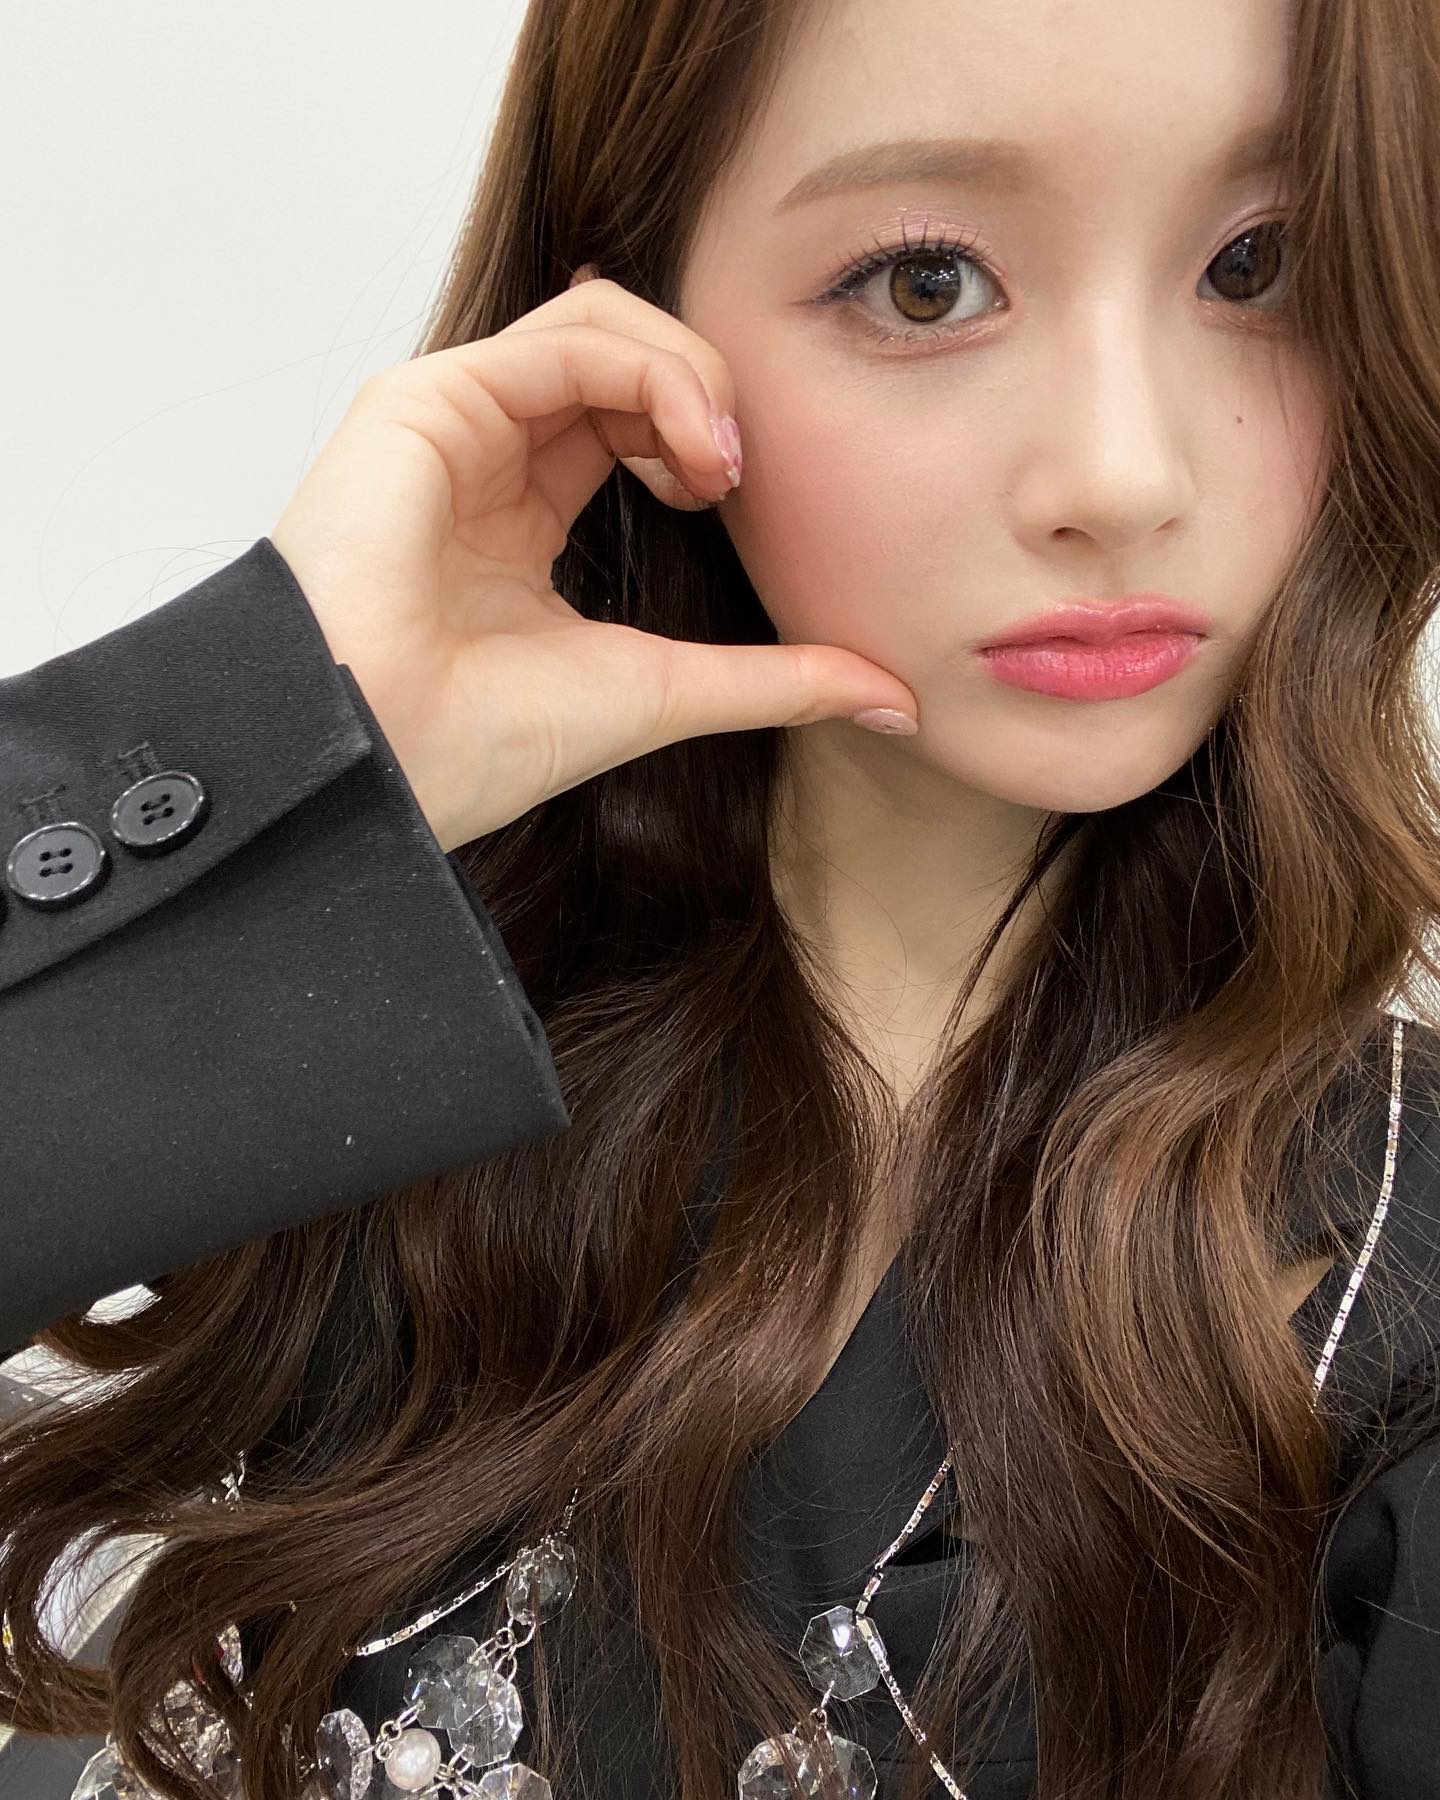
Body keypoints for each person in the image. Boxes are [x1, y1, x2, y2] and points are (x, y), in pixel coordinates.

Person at [3, 0, 1440, 1796]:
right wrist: (277, 719)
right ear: (632, 326)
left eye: (1260, 262)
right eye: (927, 281)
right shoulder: (351, 1048)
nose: (1124, 476)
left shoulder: (1392, 1281)